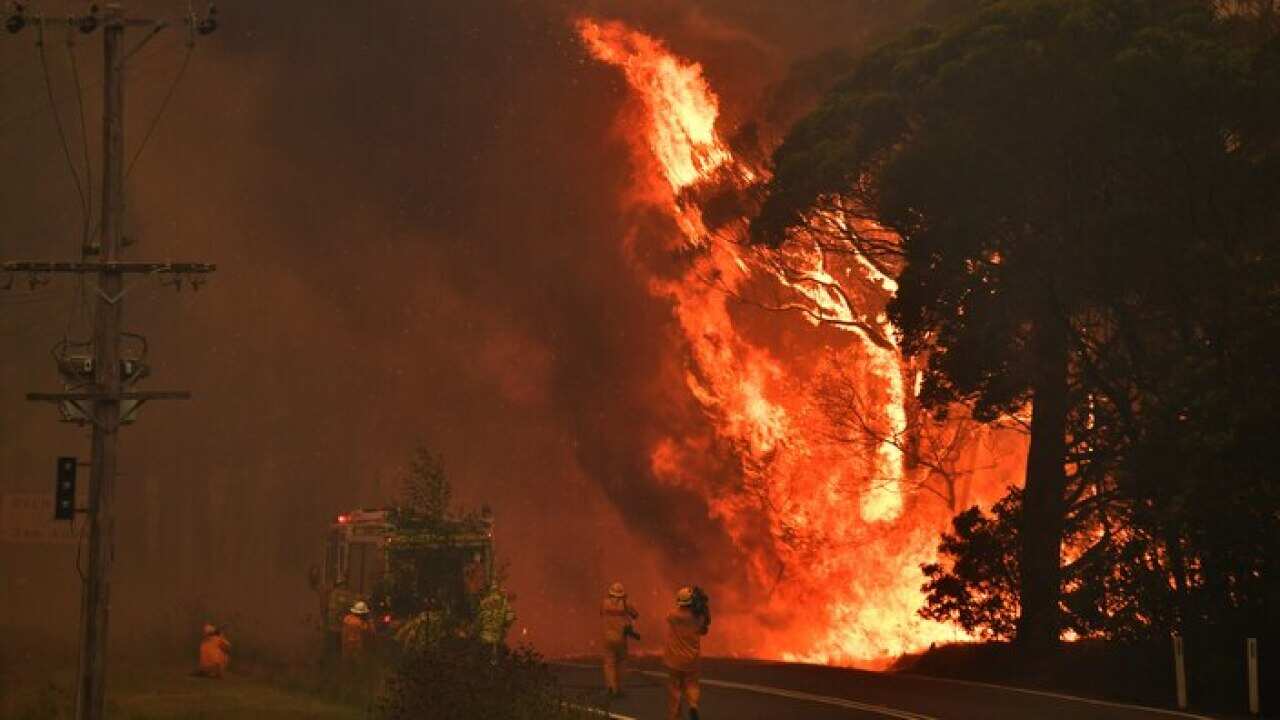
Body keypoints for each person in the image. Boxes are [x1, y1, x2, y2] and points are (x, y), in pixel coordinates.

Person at [664, 587, 709, 720]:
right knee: (692, 685)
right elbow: (704, 629)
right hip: (692, 660)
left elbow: (668, 618)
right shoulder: (699, 618)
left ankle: (675, 717)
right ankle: (693, 705)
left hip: (674, 659)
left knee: (674, 689)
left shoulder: (673, 615)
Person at [600, 581, 640, 696]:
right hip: (621, 638)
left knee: (609, 663)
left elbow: (601, 613)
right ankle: (621, 687)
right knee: (622, 662)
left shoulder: (604, 603)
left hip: (607, 638)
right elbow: (635, 615)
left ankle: (611, 687)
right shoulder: (625, 603)